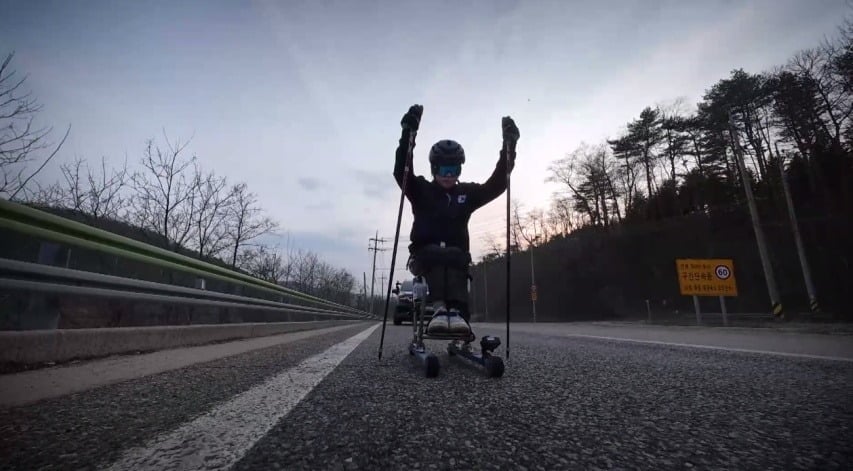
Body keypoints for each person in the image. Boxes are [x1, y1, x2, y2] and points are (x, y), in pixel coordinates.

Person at [393, 104, 519, 336]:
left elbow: (497, 184)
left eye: (454, 169)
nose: (448, 175)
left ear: (460, 168)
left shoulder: (466, 194)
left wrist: (509, 147)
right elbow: (402, 170)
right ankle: (441, 310)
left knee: (456, 257)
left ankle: (458, 314)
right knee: (441, 255)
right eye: (443, 168)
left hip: (457, 257)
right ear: (433, 168)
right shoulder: (421, 190)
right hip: (423, 256)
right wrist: (408, 134)